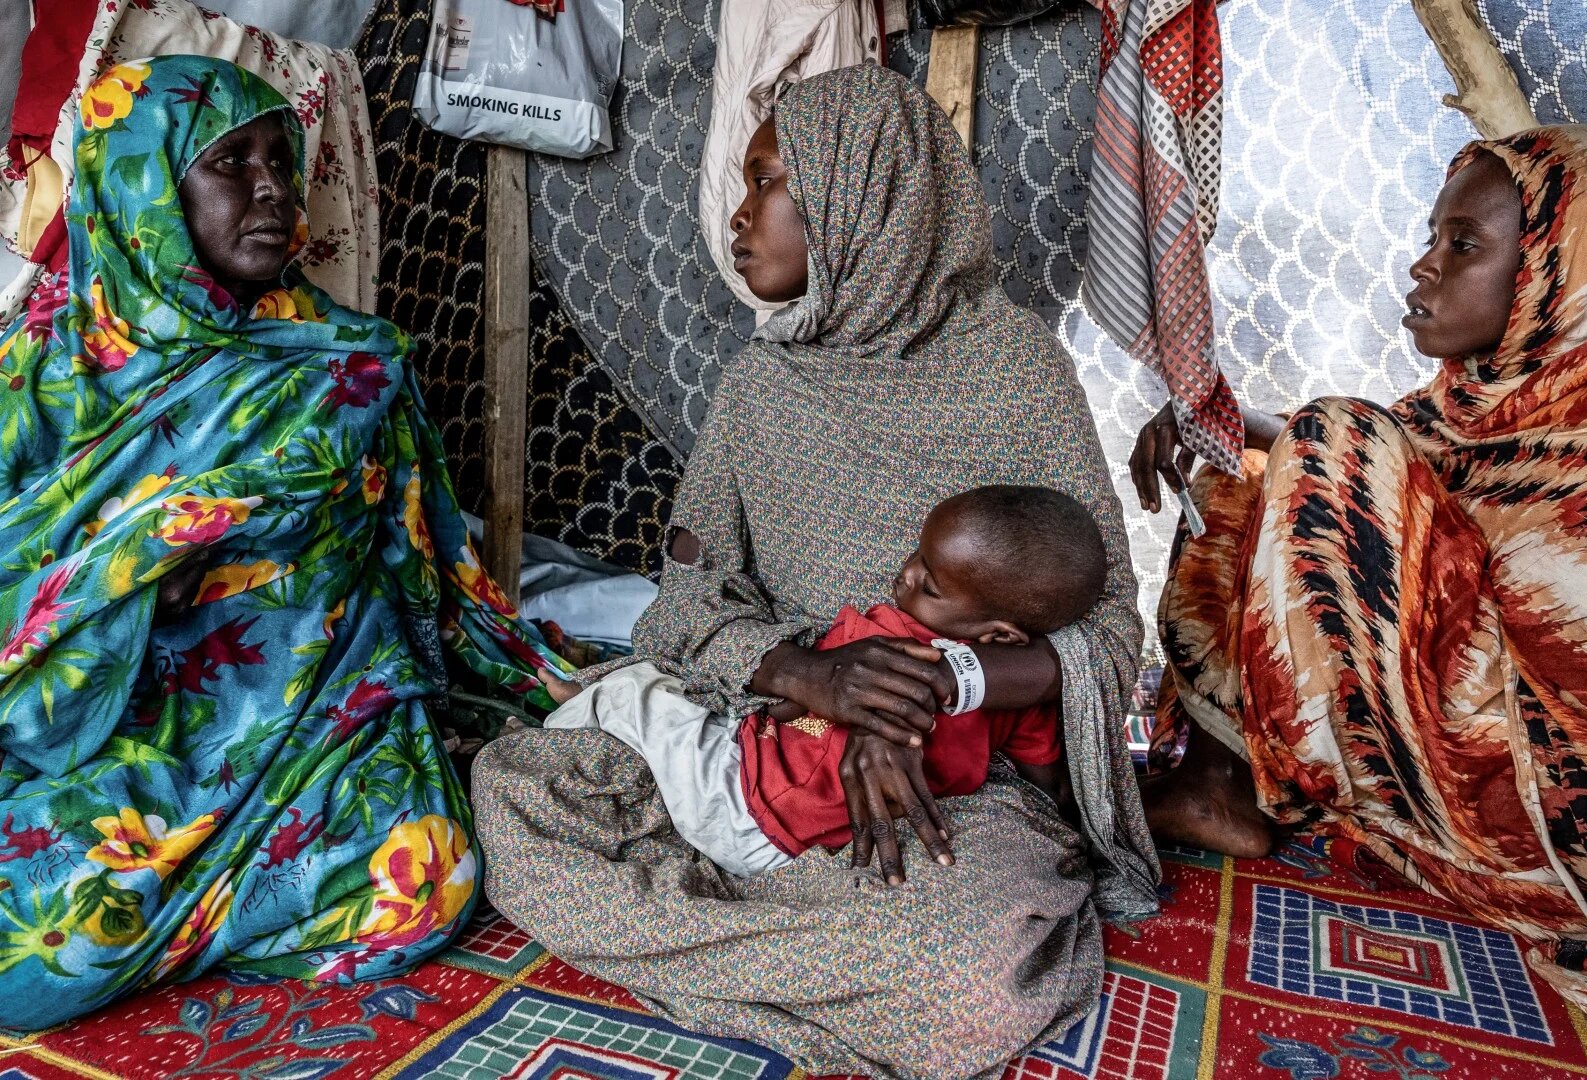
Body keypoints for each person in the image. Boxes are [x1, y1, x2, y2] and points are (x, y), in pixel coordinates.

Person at [0, 56, 563, 1031]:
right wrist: (148, 550)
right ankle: (39, 838)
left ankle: (211, 892)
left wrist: (530, 690)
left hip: (311, 726)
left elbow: (430, 576)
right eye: (229, 163)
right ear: (144, 186)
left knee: (427, 886)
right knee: (21, 958)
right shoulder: (43, 374)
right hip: (116, 740)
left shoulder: (350, 365)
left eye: (281, 162)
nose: (270, 190)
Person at [471, 64, 1159, 1078]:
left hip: (953, 781)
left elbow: (1102, 632)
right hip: (762, 745)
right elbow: (685, 609)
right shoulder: (762, 387)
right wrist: (817, 679)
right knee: (513, 796)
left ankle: (736, 934)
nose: (739, 218)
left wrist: (921, 701)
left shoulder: (1018, 372)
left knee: (974, 968)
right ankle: (808, 948)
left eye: (767, 185)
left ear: (858, 196)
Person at [1132, 125, 1587, 1036]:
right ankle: (1219, 787)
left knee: (1332, 444)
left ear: (1564, 270)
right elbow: (1411, 492)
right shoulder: (1490, 402)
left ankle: (1294, 781)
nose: (1422, 267)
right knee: (1247, 473)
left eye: (1464, 246)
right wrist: (1231, 426)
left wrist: (1318, 457)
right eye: (1430, 237)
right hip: (1475, 745)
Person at [538, 484, 1104, 876]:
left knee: (647, 692)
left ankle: (575, 705)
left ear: (1003, 636)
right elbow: (1047, 784)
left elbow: (772, 687)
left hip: (739, 802)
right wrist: (1076, 837)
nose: (904, 574)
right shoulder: (1024, 703)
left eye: (929, 583)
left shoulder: (876, 634)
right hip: (810, 851)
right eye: (916, 556)